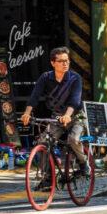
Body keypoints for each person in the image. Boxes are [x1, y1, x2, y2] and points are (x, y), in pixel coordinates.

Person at [21, 47, 89, 176]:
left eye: (67, 61)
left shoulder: (75, 78)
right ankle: (48, 177)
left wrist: (67, 115)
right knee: (43, 142)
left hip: (75, 116)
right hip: (57, 117)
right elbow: (34, 96)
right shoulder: (46, 77)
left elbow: (74, 100)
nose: (65, 64)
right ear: (53, 63)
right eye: (61, 61)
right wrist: (27, 113)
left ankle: (83, 163)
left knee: (73, 139)